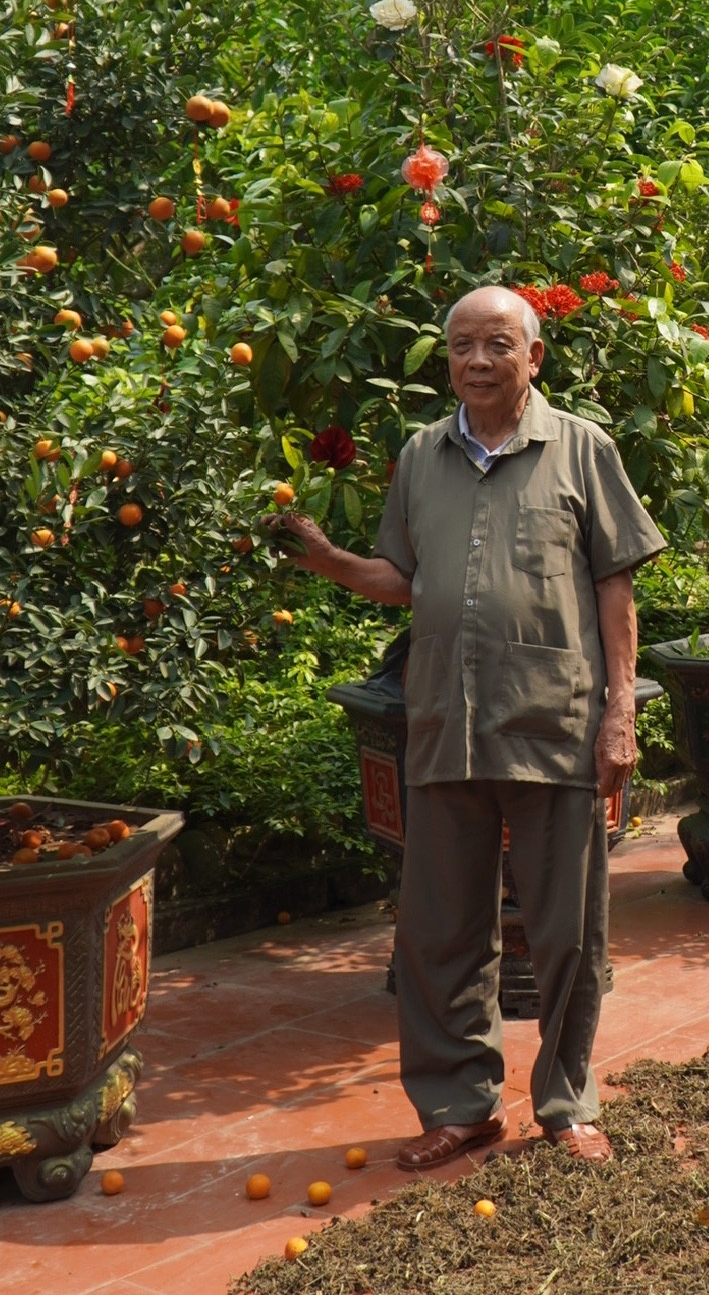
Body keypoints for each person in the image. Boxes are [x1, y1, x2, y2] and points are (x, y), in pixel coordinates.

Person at [276, 284, 664, 1171]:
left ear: (535, 356)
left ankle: (565, 1104)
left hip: (552, 720)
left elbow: (616, 586)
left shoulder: (580, 449)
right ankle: (460, 1104)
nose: (476, 362)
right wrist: (332, 563)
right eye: (460, 347)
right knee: (439, 929)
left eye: (496, 345)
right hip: (445, 722)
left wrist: (617, 712)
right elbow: (403, 579)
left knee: (567, 932)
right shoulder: (420, 456)